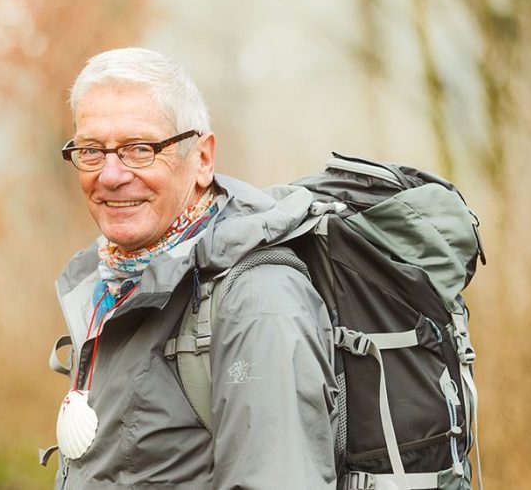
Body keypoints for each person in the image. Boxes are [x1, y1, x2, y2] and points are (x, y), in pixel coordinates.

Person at [50, 47, 338, 489]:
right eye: (91, 150)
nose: (109, 175)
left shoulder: (256, 301)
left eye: (139, 149)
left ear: (203, 158)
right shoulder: (112, 284)